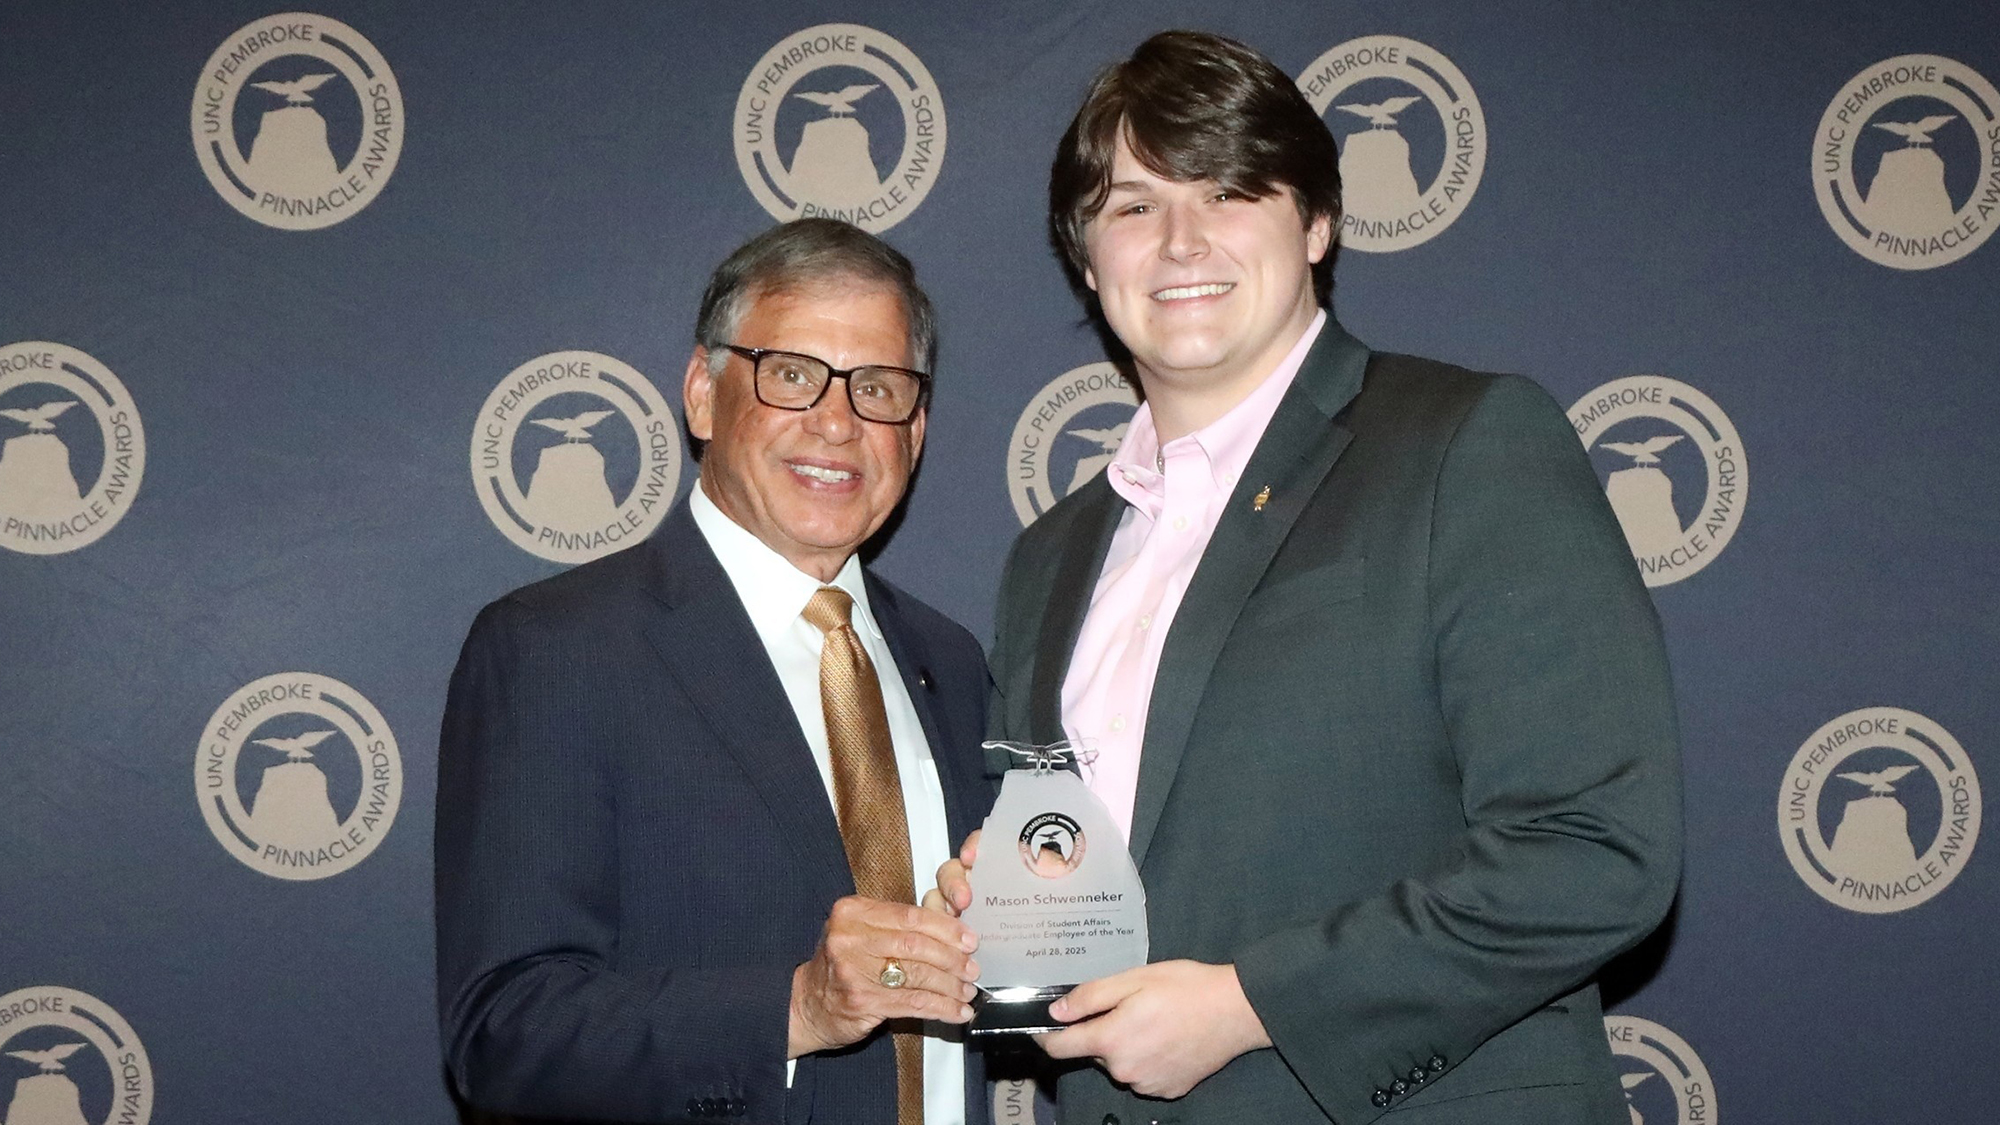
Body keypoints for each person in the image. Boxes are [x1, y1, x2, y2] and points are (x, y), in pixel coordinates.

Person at [935, 30, 1682, 1125]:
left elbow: (1594, 850)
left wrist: (1250, 1004)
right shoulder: (1048, 558)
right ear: (1086, 257)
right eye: (1133, 205)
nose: (1180, 240)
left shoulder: (1463, 444)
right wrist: (1008, 897)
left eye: (1230, 190)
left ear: (1317, 224)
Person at [437, 218, 991, 1125]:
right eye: (792, 374)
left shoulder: (953, 660)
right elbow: (504, 1030)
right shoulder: (553, 649)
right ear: (703, 393)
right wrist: (797, 1008)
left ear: (917, 428)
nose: (838, 421)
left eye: (879, 387)